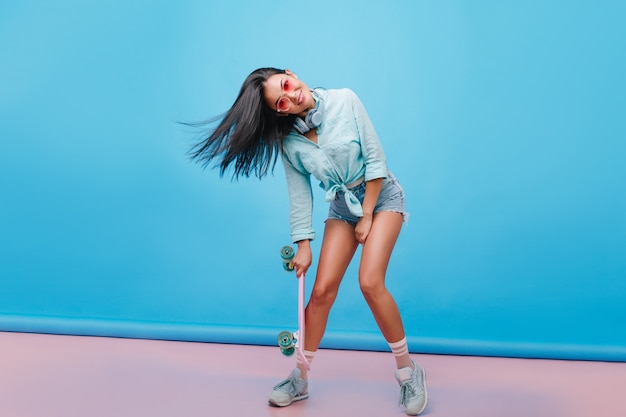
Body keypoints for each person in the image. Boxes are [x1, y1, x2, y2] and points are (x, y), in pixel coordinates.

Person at [189, 67, 428, 415]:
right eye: (281, 102)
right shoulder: (289, 144)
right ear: (279, 112)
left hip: (382, 197)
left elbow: (376, 160)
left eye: (286, 86)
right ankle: (300, 377)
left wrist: (367, 216)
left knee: (370, 282)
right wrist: (303, 244)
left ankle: (409, 372)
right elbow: (299, 196)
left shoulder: (344, 99)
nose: (291, 96)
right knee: (321, 292)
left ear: (291, 73)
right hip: (343, 207)